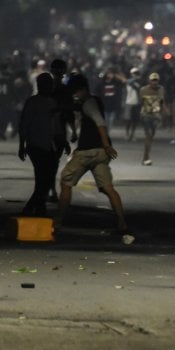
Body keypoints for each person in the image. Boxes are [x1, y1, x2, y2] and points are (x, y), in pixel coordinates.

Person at [57, 74, 127, 232]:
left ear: (82, 89)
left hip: (88, 151)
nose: (74, 94)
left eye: (75, 91)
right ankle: (122, 222)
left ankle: (59, 220)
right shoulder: (94, 101)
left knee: (66, 181)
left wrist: (107, 145)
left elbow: (100, 123)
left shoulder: (89, 104)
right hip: (101, 153)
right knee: (107, 187)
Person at [18, 73, 58, 216]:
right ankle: (30, 208)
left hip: (47, 145)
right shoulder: (33, 102)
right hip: (36, 144)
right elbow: (24, 125)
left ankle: (39, 208)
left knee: (44, 178)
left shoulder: (52, 102)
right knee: (44, 179)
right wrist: (21, 146)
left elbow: (54, 125)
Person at [49, 59, 75, 203]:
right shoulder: (62, 90)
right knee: (53, 162)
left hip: (53, 130)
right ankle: (50, 190)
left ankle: (50, 190)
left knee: (50, 162)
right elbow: (69, 112)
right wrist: (74, 131)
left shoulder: (47, 88)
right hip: (55, 130)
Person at [139, 72, 167, 166]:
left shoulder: (161, 90)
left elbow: (162, 102)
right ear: (149, 81)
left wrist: (164, 113)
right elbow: (140, 103)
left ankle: (146, 156)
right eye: (152, 80)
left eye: (156, 81)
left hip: (156, 115)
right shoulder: (143, 90)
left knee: (151, 136)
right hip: (146, 115)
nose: (154, 83)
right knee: (148, 135)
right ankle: (146, 157)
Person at [124, 67, 142, 141]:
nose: (135, 75)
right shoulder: (129, 81)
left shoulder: (139, 82)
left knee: (135, 120)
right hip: (129, 102)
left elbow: (139, 88)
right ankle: (127, 134)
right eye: (134, 74)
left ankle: (132, 134)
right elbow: (129, 82)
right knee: (128, 120)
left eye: (136, 74)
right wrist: (135, 78)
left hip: (136, 103)